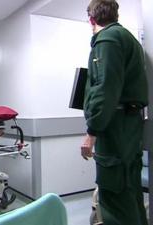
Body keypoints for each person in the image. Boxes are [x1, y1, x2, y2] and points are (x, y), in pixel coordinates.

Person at [81, 1, 148, 224]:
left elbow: (104, 89)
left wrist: (91, 133)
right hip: (129, 124)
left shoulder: (107, 39)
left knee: (114, 194)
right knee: (130, 192)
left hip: (115, 126)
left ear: (91, 19)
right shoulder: (128, 39)